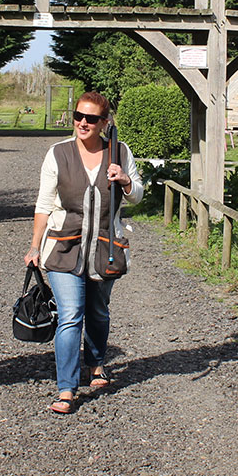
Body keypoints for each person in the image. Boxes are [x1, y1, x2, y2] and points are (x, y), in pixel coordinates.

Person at [23, 92, 142, 414]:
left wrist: (125, 179)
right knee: (71, 315)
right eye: (79, 116)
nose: (83, 123)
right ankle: (66, 389)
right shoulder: (57, 153)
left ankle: (96, 362)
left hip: (107, 248)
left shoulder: (120, 152)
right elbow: (44, 204)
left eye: (91, 119)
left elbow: (137, 196)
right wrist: (35, 247)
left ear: (105, 122)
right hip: (64, 247)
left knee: (98, 311)